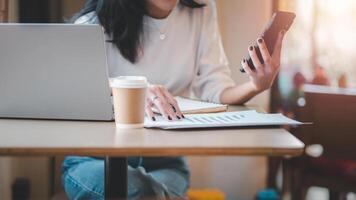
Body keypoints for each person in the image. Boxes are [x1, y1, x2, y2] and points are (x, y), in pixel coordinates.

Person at [61, 0, 286, 199]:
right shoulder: (91, 23)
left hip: (166, 163)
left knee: (145, 190)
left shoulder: (202, 9)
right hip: (94, 161)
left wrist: (255, 86)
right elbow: (75, 89)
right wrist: (132, 87)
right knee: (138, 189)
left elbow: (216, 87)